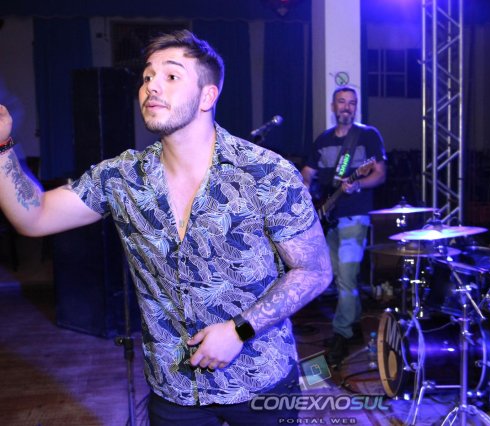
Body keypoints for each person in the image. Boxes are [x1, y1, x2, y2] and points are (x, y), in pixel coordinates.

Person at [0, 30, 332, 425]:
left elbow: (314, 270)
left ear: (208, 96)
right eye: (147, 77)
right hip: (175, 389)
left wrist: (240, 330)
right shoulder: (122, 178)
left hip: (261, 379)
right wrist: (3, 146)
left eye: (171, 76)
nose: (152, 85)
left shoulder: (266, 173)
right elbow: (33, 216)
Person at [301, 86, 386, 367]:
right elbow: (308, 173)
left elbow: (379, 174)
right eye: (342, 102)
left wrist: (358, 184)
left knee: (347, 278)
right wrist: (303, 192)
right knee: (339, 279)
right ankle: (354, 325)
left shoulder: (368, 135)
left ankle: (341, 333)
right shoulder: (323, 140)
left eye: (352, 103)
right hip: (328, 218)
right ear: (333, 106)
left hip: (355, 217)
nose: (347, 107)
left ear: (355, 107)